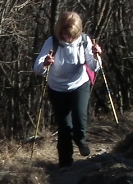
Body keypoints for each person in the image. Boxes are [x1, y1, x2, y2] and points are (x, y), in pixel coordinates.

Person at [33, 11, 103, 168]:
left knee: (80, 116)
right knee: (64, 126)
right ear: (60, 30)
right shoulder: (52, 42)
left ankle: (80, 139)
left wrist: (96, 55)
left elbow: (94, 66)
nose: (67, 38)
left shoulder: (84, 41)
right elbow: (37, 68)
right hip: (57, 88)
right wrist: (45, 64)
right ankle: (65, 163)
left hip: (79, 83)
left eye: (71, 35)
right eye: (64, 34)